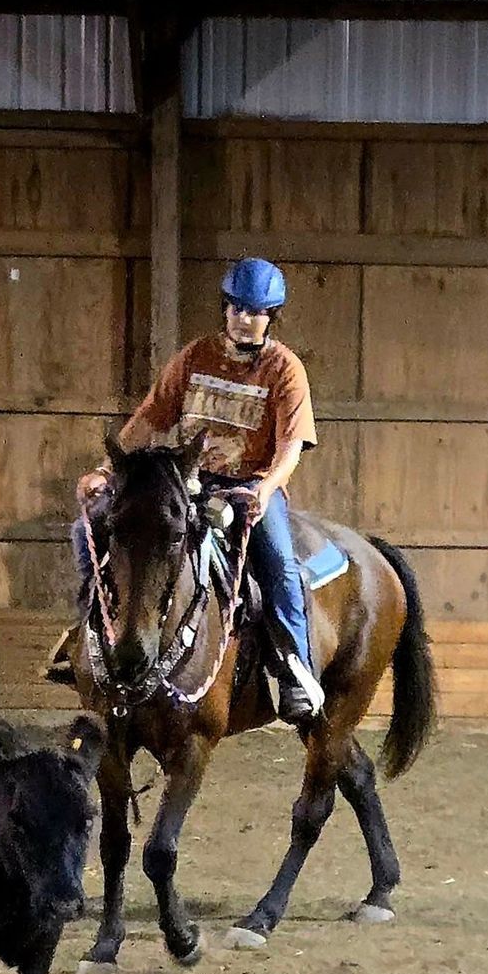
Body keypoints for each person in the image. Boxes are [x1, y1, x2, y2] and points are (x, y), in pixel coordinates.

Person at [71, 257, 324, 722]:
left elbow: (290, 445)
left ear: (272, 316)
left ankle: (294, 672)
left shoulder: (285, 371)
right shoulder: (194, 357)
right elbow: (151, 418)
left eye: (257, 312)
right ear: (225, 309)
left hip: (248, 486)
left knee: (279, 564)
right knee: (89, 527)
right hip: (185, 480)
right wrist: (107, 471)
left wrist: (267, 488)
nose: (245, 320)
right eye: (237, 309)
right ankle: (90, 635)